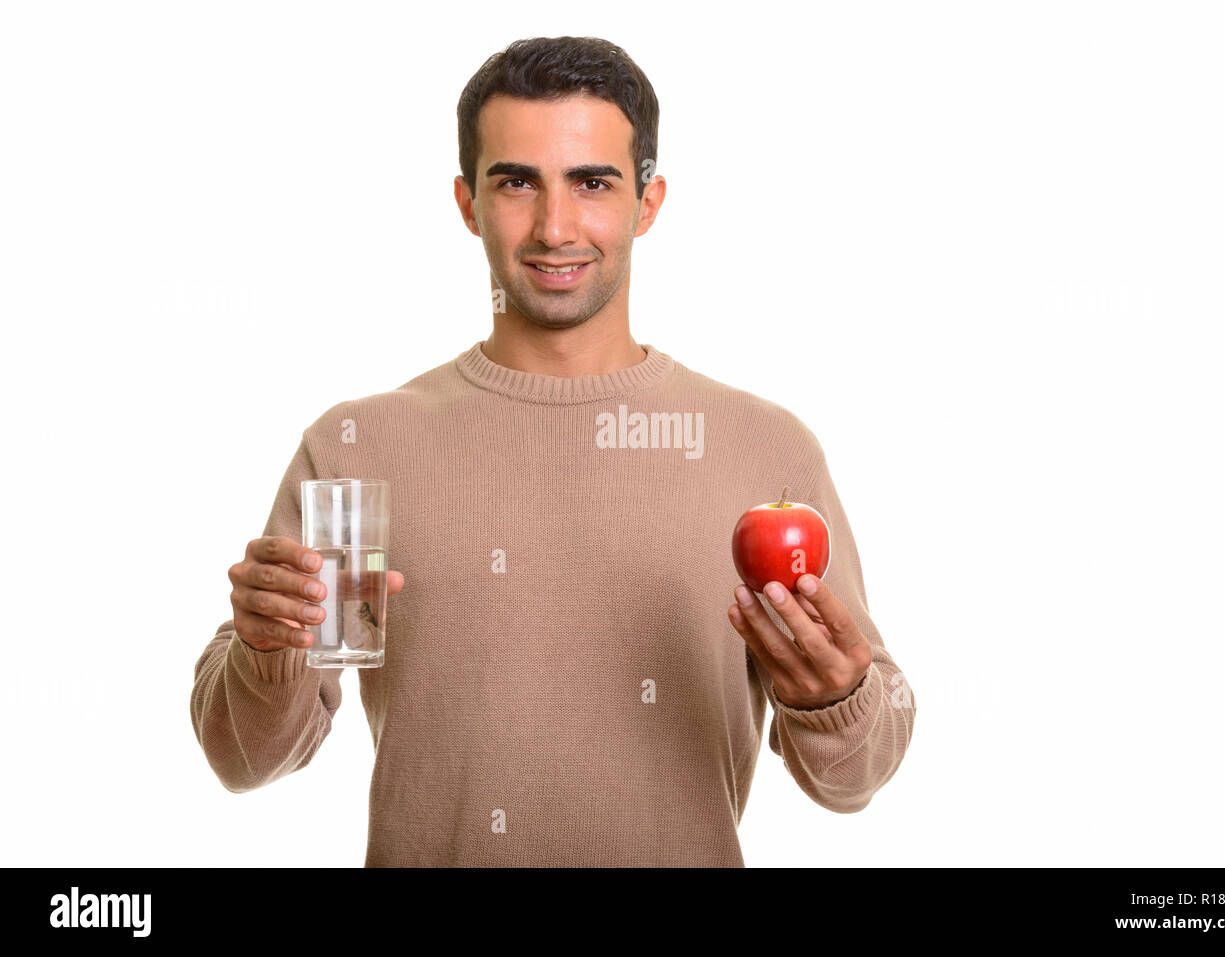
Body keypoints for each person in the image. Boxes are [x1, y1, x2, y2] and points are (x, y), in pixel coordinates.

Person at [191, 35, 916, 867]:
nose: (555, 225)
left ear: (649, 203)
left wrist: (838, 699)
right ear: (467, 203)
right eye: (516, 182)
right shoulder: (355, 448)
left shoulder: (764, 449)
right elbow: (244, 759)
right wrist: (265, 649)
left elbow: (857, 778)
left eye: (593, 182)